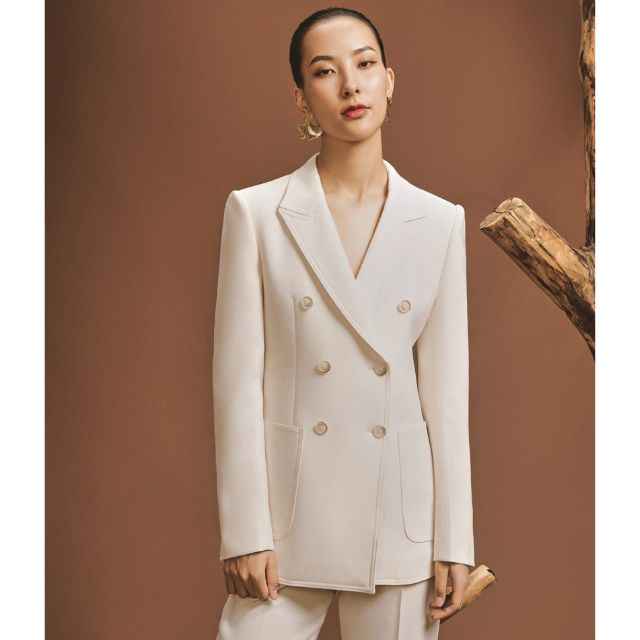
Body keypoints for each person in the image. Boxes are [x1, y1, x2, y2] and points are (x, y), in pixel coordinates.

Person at [212, 7, 475, 639]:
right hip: (286, 524)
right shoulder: (257, 213)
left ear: (390, 79)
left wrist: (454, 539)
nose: (351, 85)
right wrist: (244, 531)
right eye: (325, 72)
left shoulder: (440, 222)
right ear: (302, 97)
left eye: (365, 64)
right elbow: (237, 385)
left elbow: (445, 396)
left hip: (400, 527)